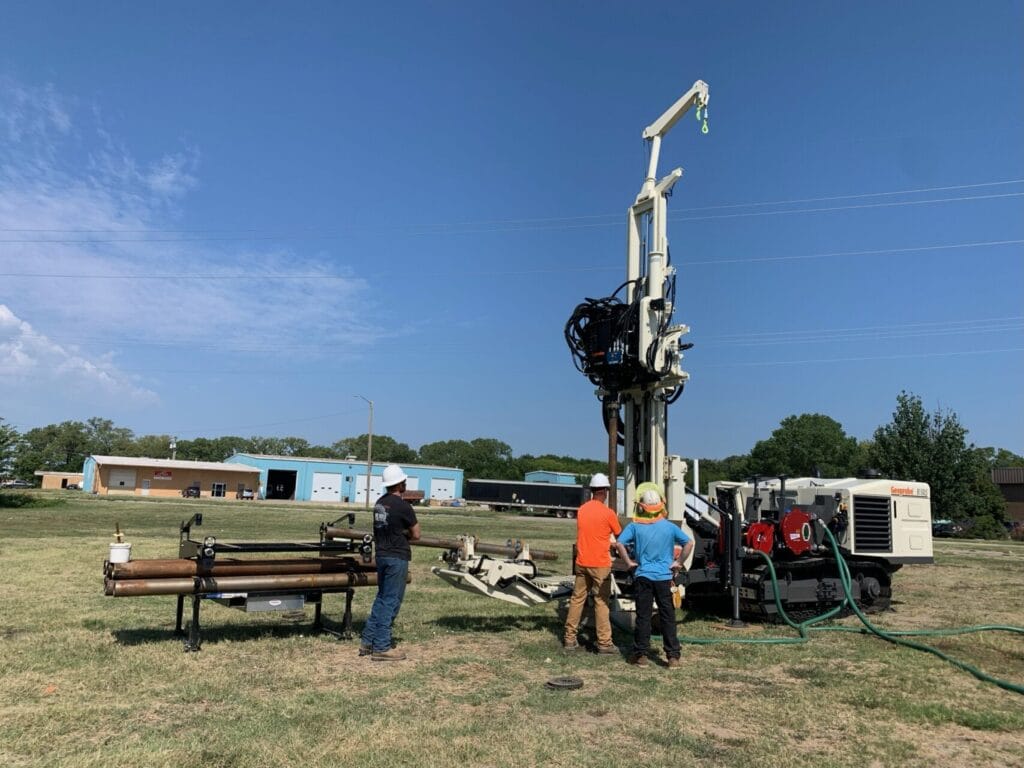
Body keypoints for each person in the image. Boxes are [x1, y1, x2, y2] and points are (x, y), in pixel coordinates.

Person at [615, 484, 693, 668]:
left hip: (643, 576)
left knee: (643, 615)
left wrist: (628, 562)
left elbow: (619, 544)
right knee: (668, 615)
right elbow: (688, 543)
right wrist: (679, 562)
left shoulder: (635, 527)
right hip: (664, 578)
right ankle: (673, 657)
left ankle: (640, 655)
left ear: (642, 506)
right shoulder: (669, 527)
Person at [360, 464, 421, 661]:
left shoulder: (379, 503)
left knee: (381, 598)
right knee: (391, 601)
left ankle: (367, 641)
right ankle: (382, 647)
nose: (405, 483)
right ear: (399, 484)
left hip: (382, 555)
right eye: (404, 481)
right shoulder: (404, 506)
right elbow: (417, 534)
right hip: (397, 557)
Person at [563, 472, 623, 654]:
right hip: (600, 565)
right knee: (601, 601)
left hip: (582, 562)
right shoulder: (608, 513)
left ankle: (569, 638)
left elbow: (592, 533)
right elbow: (619, 533)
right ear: (605, 491)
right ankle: (604, 643)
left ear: (592, 490)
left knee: (577, 599)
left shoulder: (582, 510)